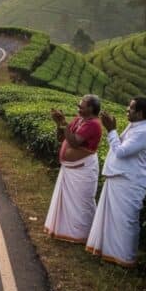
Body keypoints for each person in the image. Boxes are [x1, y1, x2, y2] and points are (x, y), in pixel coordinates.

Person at [86, 97, 146, 267]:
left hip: (130, 182)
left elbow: (121, 152)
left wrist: (111, 130)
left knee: (126, 221)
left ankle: (125, 258)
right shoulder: (135, 126)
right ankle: (110, 253)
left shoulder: (143, 132)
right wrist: (112, 131)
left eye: (130, 108)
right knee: (113, 219)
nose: (127, 109)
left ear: (139, 113)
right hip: (121, 179)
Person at [44, 95, 103, 243]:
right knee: (70, 203)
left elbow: (75, 142)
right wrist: (60, 125)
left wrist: (64, 124)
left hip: (83, 170)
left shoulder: (94, 124)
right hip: (70, 170)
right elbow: (62, 138)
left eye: (81, 106)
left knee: (82, 202)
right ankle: (67, 232)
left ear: (91, 108)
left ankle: (86, 234)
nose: (78, 107)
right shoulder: (78, 119)